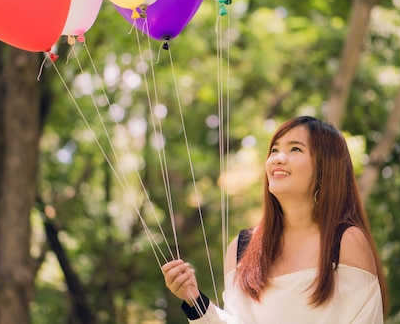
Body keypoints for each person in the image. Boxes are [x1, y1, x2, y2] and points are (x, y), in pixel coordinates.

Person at [162, 116, 388, 323]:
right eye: (274, 150)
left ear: (325, 168)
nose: (277, 159)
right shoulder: (242, 247)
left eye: (295, 149)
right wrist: (194, 300)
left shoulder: (346, 242)